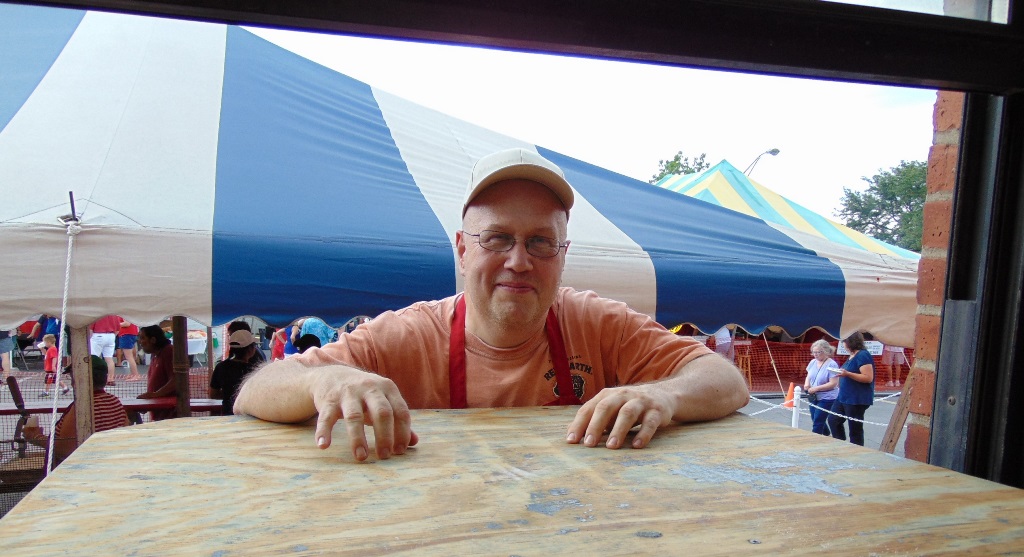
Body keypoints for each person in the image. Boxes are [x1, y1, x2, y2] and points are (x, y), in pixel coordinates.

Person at [235, 148, 750, 462]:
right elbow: (252, 393)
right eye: (498, 239)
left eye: (541, 242)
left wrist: (663, 396)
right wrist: (322, 380)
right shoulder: (408, 334)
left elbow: (726, 380)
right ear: (463, 250)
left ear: (563, 255)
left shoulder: (597, 322)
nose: (519, 262)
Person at [23, 355, 130, 467]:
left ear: (81, 378)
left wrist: (35, 437)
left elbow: (65, 448)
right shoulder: (115, 402)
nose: (72, 383)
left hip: (81, 469)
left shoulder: (82, 408)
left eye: (72, 377)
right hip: (106, 465)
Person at [827, 331, 875, 446]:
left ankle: (857, 448)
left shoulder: (863, 355)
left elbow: (868, 377)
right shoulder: (852, 355)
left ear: (850, 342)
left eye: (844, 342)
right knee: (833, 420)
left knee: (855, 428)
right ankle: (840, 443)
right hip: (844, 396)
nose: (843, 344)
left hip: (856, 398)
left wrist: (848, 374)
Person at [209, 330, 262, 415]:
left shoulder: (221, 367)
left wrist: (229, 395)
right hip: (249, 414)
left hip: (227, 413)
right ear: (249, 349)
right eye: (254, 346)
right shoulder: (254, 369)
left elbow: (213, 394)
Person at [137, 325, 177, 420]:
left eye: (142, 338)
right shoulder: (155, 355)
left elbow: (177, 380)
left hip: (170, 414)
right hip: (160, 413)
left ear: (153, 340)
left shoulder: (168, 351)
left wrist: (155, 395)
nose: (140, 342)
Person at [803, 339, 839, 436]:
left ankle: (815, 438)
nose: (815, 354)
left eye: (818, 352)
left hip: (827, 397)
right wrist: (806, 384)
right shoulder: (812, 362)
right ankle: (826, 433)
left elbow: (833, 383)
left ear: (826, 351)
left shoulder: (832, 364)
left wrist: (817, 388)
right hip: (813, 395)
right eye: (814, 352)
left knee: (818, 420)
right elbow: (809, 375)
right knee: (814, 417)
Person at [90, 314, 122, 385]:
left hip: (98, 334)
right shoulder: (114, 314)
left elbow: (91, 328)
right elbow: (118, 328)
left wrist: (90, 338)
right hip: (111, 335)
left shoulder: (98, 313)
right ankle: (110, 378)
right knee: (109, 358)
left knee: (93, 358)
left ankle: (94, 378)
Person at [39, 333, 70, 397]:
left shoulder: (53, 349)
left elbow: (54, 357)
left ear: (49, 342)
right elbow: (46, 355)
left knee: (50, 380)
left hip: (51, 368)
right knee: (53, 380)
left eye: (45, 343)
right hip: (48, 368)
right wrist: (42, 349)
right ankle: (65, 388)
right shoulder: (50, 349)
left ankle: (47, 392)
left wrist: (53, 366)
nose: (45, 344)